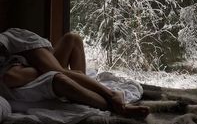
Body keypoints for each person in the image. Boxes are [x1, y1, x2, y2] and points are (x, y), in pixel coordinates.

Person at [0, 28, 149, 118]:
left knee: (72, 39)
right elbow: (10, 77)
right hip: (16, 66)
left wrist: (56, 69)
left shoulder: (14, 40)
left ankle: (112, 95)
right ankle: (109, 102)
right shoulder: (8, 75)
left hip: (17, 46)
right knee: (59, 72)